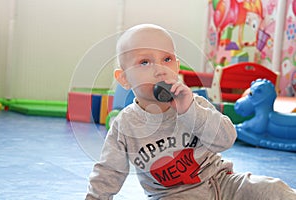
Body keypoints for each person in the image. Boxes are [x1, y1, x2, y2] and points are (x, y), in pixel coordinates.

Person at [86, 24, 296, 200]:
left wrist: (190, 111)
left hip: (223, 183)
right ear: (124, 78)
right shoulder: (125, 125)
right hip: (174, 195)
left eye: (167, 59)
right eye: (144, 62)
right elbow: (108, 172)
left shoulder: (194, 103)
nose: (160, 69)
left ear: (176, 66)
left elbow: (227, 139)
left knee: (274, 189)